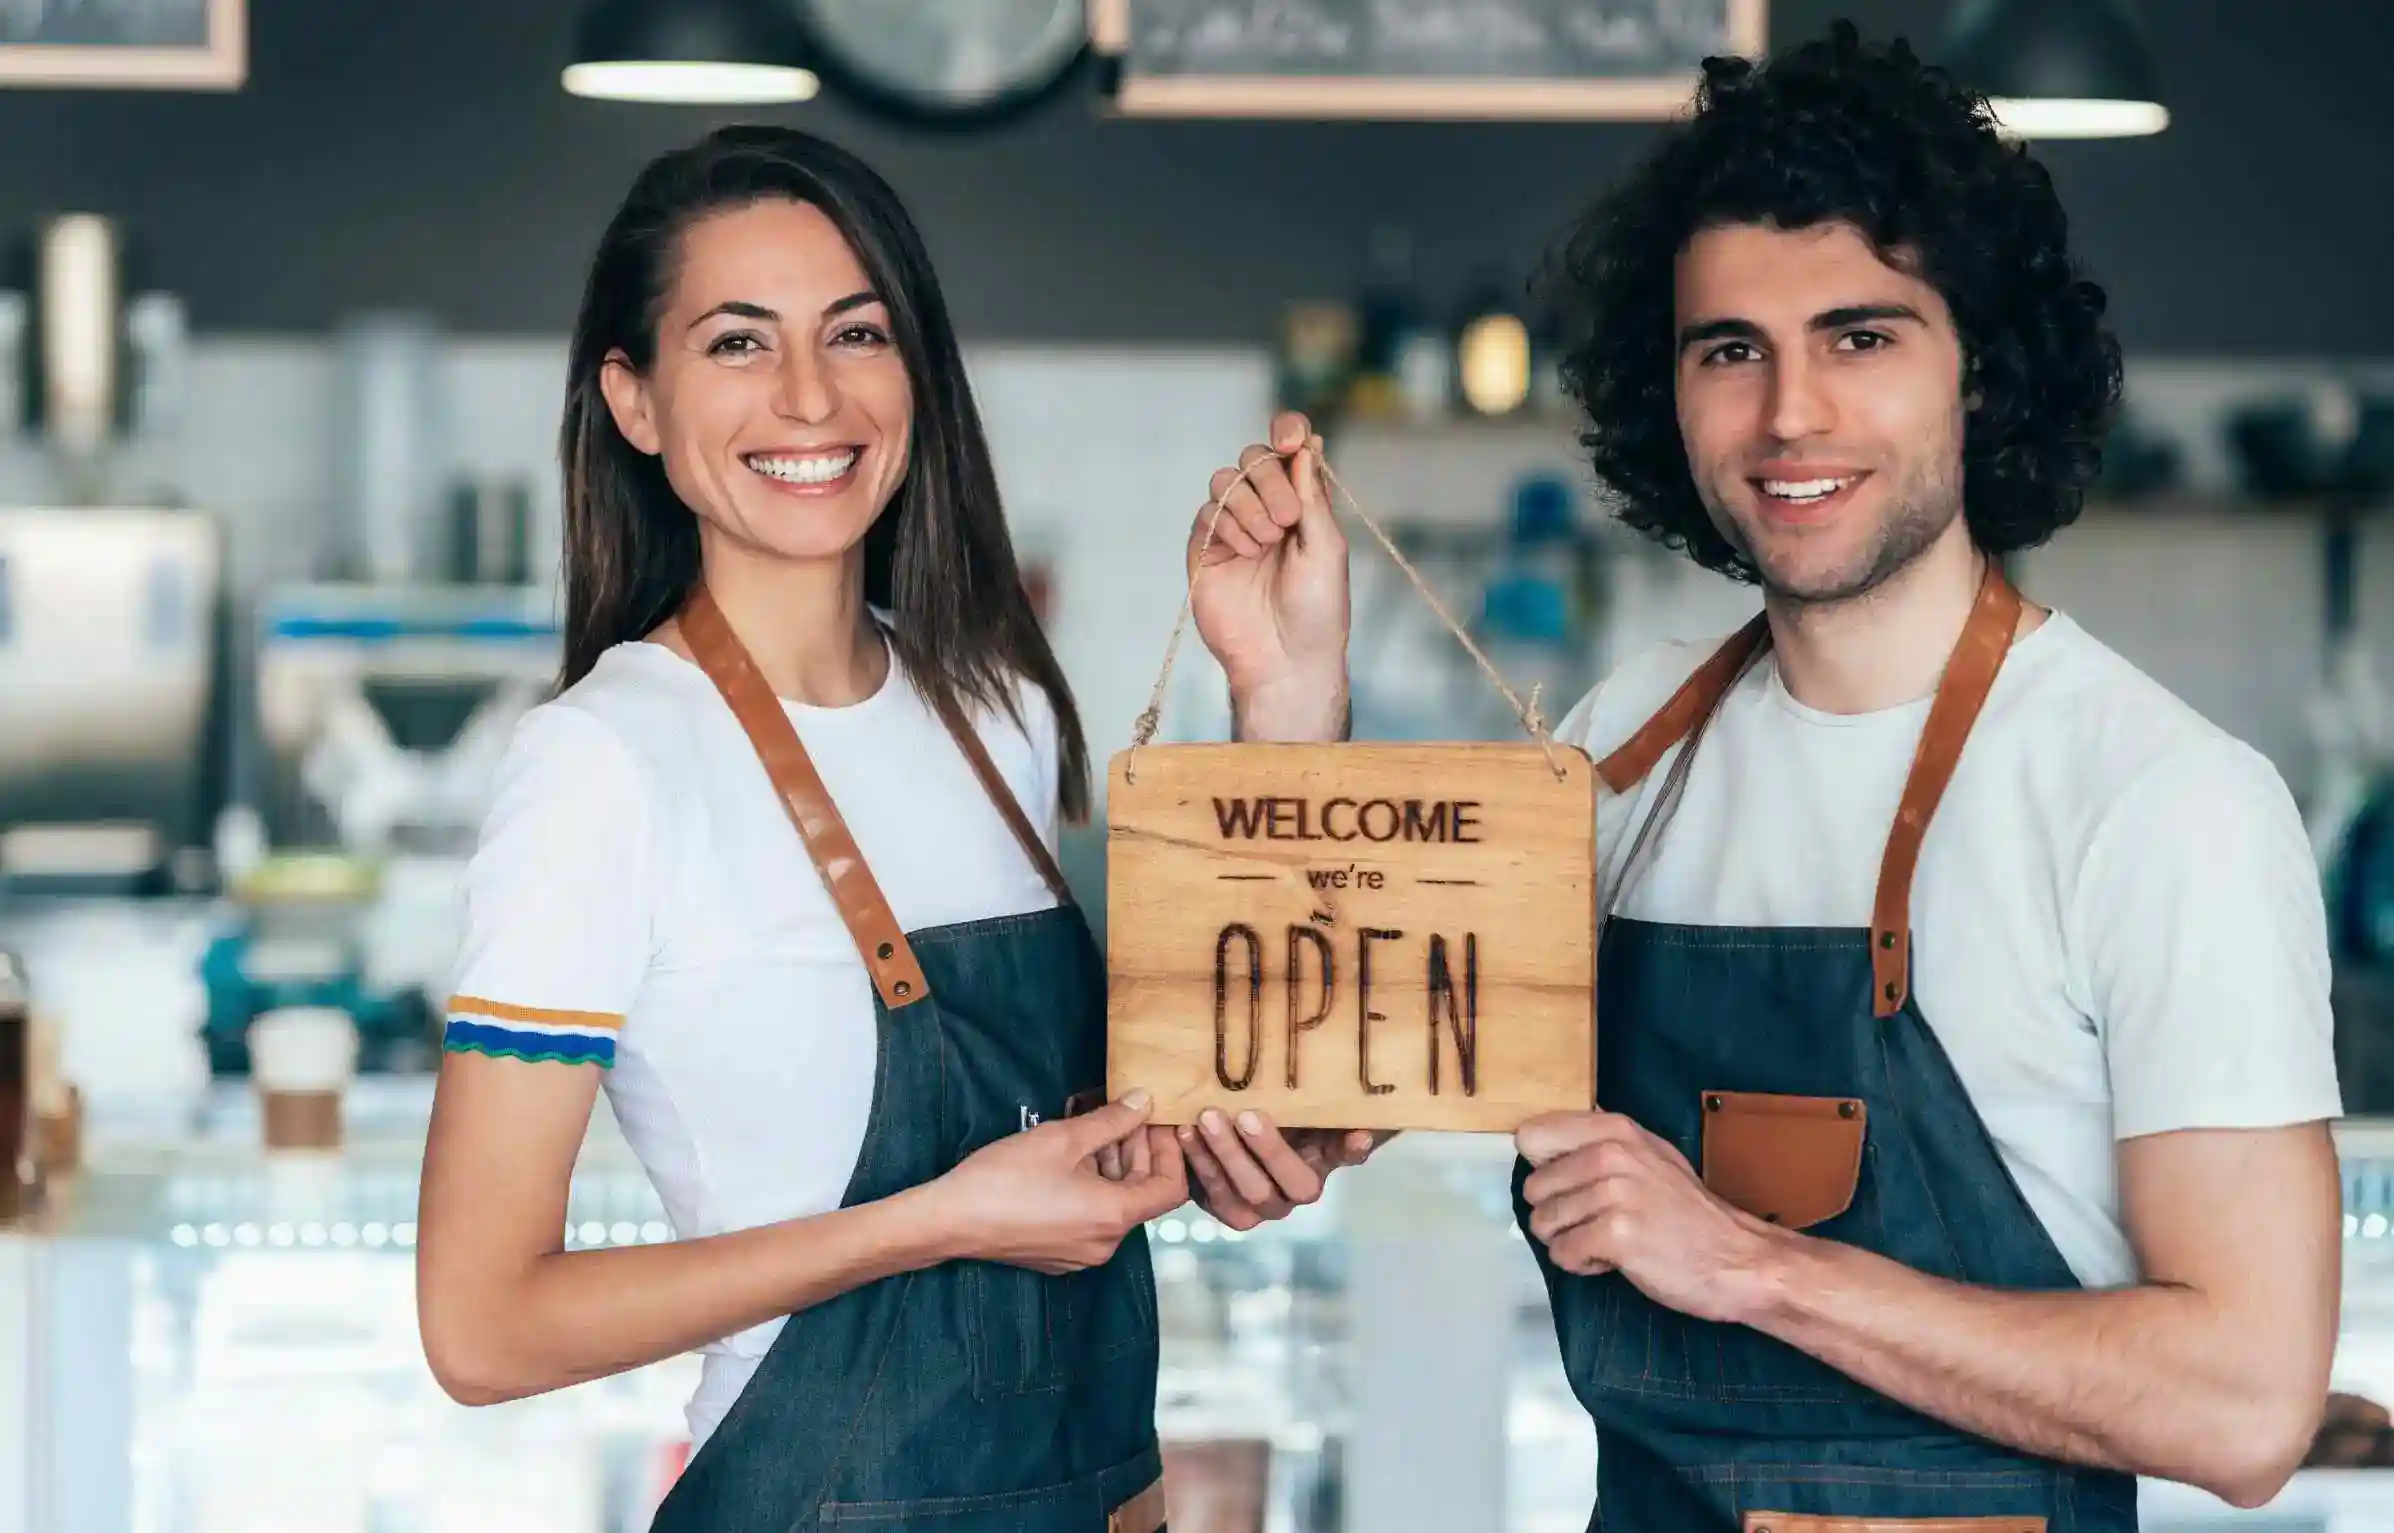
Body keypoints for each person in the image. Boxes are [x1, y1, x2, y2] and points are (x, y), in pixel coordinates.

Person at [1185, 23, 2343, 1528]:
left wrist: (1748, 1266)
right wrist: (1286, 694)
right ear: (1665, 395)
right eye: (1730, 351)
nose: (1789, 415)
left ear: (1978, 374)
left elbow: (2245, 1404)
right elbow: (1341, 1079)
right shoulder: (1629, 742)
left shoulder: (2162, 800)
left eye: (1859, 338)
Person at [414, 125, 1193, 1531]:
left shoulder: (995, 707)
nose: (808, 396)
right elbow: (482, 1328)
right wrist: (938, 1220)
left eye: (855, 333)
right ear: (633, 401)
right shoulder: (605, 764)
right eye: (734, 344)